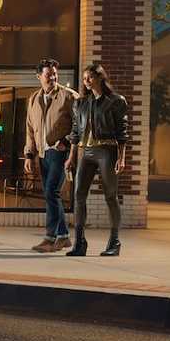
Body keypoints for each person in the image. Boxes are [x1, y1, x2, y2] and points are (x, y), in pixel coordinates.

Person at [64, 62, 129, 257]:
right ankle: (80, 243)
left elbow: (122, 132)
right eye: (84, 78)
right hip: (87, 152)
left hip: (107, 150)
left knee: (110, 196)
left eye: (90, 77)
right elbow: (75, 133)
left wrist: (121, 158)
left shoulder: (116, 101)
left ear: (100, 77)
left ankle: (115, 242)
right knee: (78, 196)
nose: (86, 81)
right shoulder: (81, 103)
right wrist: (71, 157)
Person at [22, 58, 76, 253]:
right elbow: (30, 128)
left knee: (51, 192)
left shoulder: (68, 97)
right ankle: (57, 237)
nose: (53, 77)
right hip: (43, 154)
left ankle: (57, 236)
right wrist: (29, 155)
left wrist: (67, 142)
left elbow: (82, 124)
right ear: (39, 77)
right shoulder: (34, 99)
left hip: (60, 153)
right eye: (48, 74)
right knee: (49, 193)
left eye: (55, 74)